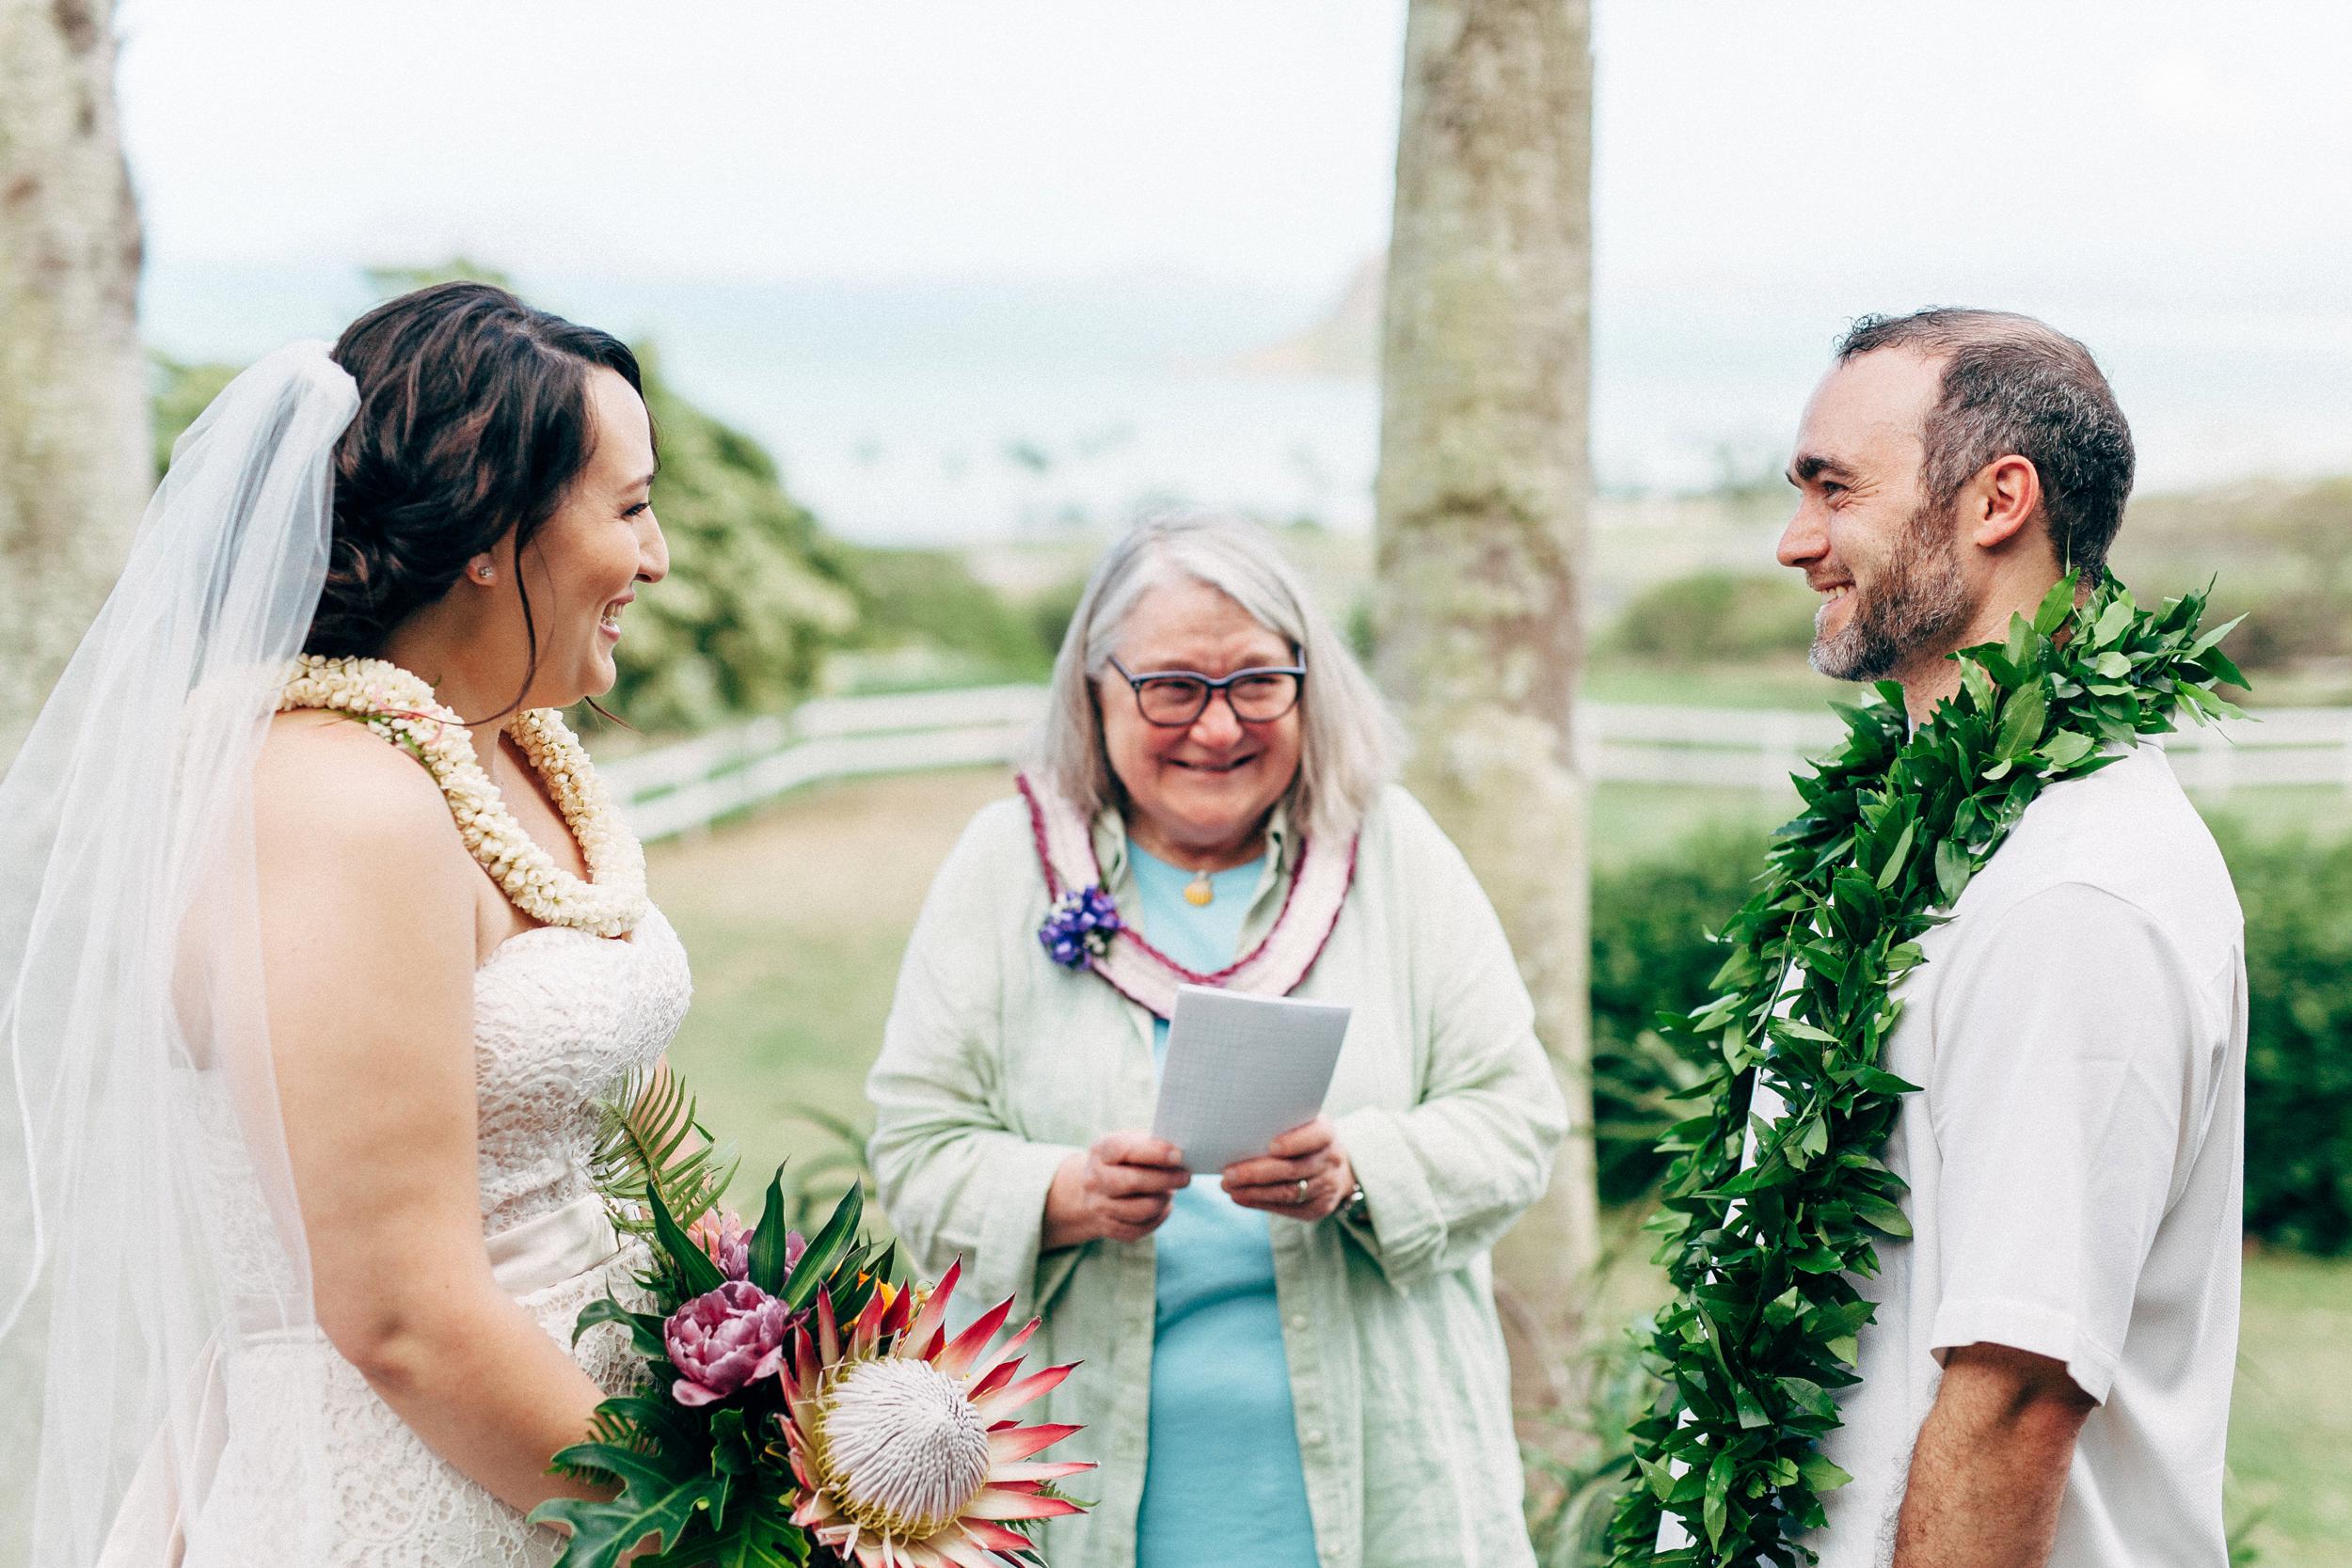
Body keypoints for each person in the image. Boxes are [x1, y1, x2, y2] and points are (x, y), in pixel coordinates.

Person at [0, 282, 686, 1564]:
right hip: (437, 1486)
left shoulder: (502, 744)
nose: (656, 558)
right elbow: (399, 1316)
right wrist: (690, 1523)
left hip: (588, 1433)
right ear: (492, 530)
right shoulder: (331, 795)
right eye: (633, 509)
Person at [866, 513, 1567, 1568]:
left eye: (1255, 682)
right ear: (1094, 688)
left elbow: (1515, 1120)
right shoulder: (1004, 864)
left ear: (1307, 682)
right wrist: (1063, 1191)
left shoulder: (1395, 851)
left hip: (1385, 1491)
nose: (1216, 725)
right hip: (1077, 1497)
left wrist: (1355, 1167)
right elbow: (916, 1149)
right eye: (1171, 687)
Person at [1763, 309, 2246, 1566]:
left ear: (1999, 499)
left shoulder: (2073, 890)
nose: (1794, 540)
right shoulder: (1916, 838)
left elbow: (2016, 1394)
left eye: (1834, 487)